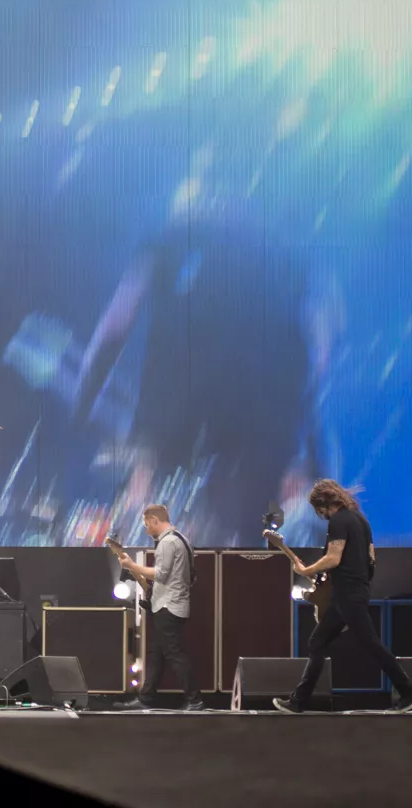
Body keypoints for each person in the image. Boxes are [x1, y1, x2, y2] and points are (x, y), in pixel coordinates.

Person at [51, 189, 339, 547]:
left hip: (178, 405)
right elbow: (320, 350)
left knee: (155, 509)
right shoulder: (288, 258)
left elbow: (115, 325)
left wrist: (83, 404)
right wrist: (301, 433)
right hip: (263, 417)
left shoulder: (168, 242)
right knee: (249, 531)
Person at [274, 480, 412, 713]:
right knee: (317, 642)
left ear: (323, 504)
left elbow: (333, 558)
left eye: (318, 509)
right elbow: (371, 558)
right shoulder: (360, 520)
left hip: (348, 595)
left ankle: (409, 693)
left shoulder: (339, 521)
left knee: (371, 644)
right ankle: (298, 701)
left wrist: (306, 570)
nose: (319, 515)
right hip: (349, 593)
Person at [112, 505, 203, 711]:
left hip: (168, 606)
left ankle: (195, 700)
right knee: (156, 654)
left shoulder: (168, 542)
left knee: (174, 654)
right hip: (171, 605)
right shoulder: (181, 539)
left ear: (154, 520)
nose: (146, 530)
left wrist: (131, 566)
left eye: (146, 525)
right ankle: (146, 697)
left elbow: (161, 574)